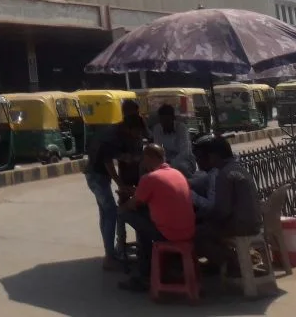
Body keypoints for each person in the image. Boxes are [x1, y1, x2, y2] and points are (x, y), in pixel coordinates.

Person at [117, 144, 195, 292]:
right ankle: (158, 266)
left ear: (148, 158)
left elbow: (133, 205)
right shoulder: (176, 173)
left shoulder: (150, 178)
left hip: (169, 234)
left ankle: (144, 275)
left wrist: (125, 200)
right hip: (189, 231)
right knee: (144, 222)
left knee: (124, 214)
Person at [84, 114, 145, 271]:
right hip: (97, 176)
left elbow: (113, 156)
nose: (137, 136)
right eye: (137, 132)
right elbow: (107, 162)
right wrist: (121, 184)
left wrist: (126, 157)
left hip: (95, 174)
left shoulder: (114, 132)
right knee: (111, 212)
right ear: (129, 128)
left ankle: (112, 252)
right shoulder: (113, 136)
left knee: (105, 214)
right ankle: (110, 258)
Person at [194, 136, 263, 272]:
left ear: (215, 156)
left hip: (240, 226)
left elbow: (222, 211)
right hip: (253, 222)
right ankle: (223, 262)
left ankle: (231, 262)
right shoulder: (238, 168)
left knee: (197, 234)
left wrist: (203, 216)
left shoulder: (224, 174)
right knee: (206, 229)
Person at [151, 104, 195, 176]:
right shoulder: (157, 129)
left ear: (173, 118)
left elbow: (185, 152)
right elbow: (158, 149)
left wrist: (171, 163)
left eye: (167, 120)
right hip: (166, 160)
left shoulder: (181, 128)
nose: (165, 124)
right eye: (162, 121)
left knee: (181, 167)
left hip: (185, 160)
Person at [189, 136, 219, 216]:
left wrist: (190, 194)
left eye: (199, 157)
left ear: (210, 157)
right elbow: (203, 179)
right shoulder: (213, 171)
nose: (197, 161)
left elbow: (211, 207)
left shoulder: (215, 175)